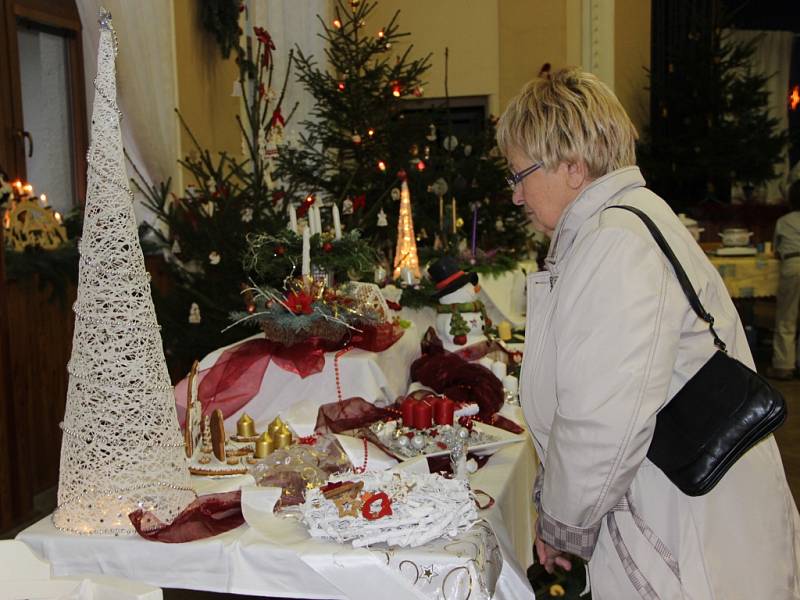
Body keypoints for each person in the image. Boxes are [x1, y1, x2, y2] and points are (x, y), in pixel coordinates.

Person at [497, 67, 800, 598]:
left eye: (519, 175)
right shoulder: (618, 225)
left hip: (678, 520)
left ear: (571, 166)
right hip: (661, 501)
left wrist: (562, 524)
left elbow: (601, 416)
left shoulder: (616, 241)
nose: (516, 197)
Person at [769, 180, 800, 380]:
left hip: (793, 264)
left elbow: (776, 250)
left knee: (787, 317)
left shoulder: (785, 220)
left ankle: (784, 365)